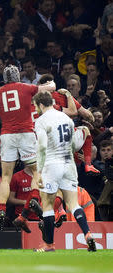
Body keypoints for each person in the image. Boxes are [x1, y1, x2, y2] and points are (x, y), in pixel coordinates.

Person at [0, 65, 54, 230]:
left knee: (6, 177)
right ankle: (35, 198)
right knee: (37, 171)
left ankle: (1, 208)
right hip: (26, 133)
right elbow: (50, 88)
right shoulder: (27, 87)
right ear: (17, 76)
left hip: (7, 135)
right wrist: (49, 85)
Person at [33, 91, 96, 252]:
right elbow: (73, 143)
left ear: (40, 105)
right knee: (73, 204)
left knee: (47, 205)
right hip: (69, 164)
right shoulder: (66, 118)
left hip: (52, 164)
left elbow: (41, 147)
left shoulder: (41, 121)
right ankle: (88, 234)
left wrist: (39, 171)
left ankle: (49, 245)